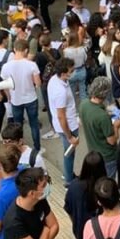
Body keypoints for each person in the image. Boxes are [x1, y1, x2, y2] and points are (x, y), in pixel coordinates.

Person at [0, 38, 43, 151]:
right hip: (31, 98)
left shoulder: (6, 66)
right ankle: (37, 148)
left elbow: (5, 86)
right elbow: (38, 83)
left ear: (14, 49)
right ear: (26, 50)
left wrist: (9, 97)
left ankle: (20, 147)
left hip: (15, 99)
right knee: (34, 124)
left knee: (18, 126)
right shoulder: (32, 65)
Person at [79, 76, 120, 178]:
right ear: (105, 93)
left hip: (93, 152)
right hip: (107, 156)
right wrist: (116, 127)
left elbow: (82, 122)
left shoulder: (83, 104)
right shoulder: (102, 117)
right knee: (107, 183)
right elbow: (112, 141)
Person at [48, 58, 79, 186]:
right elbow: (62, 116)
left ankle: (68, 173)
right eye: (71, 71)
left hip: (64, 124)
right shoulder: (60, 92)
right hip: (68, 126)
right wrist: (70, 136)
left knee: (68, 152)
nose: (73, 72)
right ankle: (69, 181)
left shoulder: (54, 80)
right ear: (63, 73)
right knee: (70, 153)